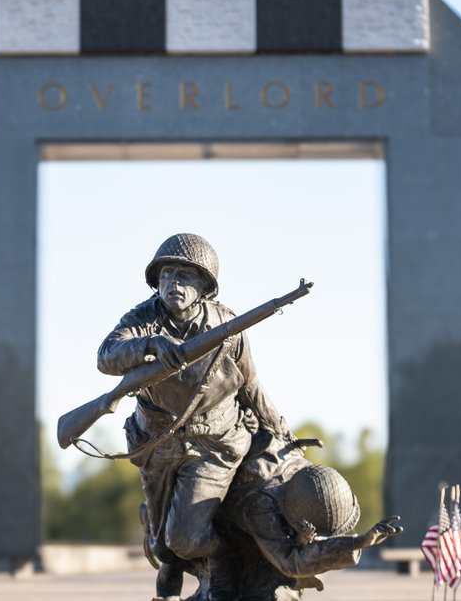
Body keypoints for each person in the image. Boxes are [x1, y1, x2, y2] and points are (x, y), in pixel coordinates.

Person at [97, 233, 290, 600]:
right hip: (155, 442)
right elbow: (106, 355)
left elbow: (250, 385)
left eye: (186, 276)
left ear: (204, 286)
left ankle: (221, 561)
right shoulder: (143, 318)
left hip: (213, 443)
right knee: (160, 544)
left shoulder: (228, 328)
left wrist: (280, 429)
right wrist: (149, 345)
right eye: (168, 274)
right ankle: (170, 561)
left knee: (184, 537)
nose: (174, 284)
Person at [213, 431, 404, 600]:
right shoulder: (260, 507)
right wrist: (358, 542)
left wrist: (303, 540)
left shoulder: (308, 480)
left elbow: (310, 545)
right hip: (226, 540)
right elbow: (291, 561)